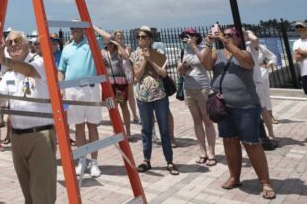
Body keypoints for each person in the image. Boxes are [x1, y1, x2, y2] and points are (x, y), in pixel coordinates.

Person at [200, 27, 274, 199]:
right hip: (223, 105)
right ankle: (235, 176)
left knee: (251, 143)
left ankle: (265, 181)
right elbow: (206, 64)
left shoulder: (244, 53)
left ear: (238, 39)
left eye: (230, 35)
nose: (225, 37)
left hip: (246, 105)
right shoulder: (217, 54)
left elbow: (247, 63)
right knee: (229, 141)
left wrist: (227, 43)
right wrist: (208, 43)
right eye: (224, 35)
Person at [0, 32, 56, 204]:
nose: (13, 44)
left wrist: (5, 61)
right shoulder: (9, 75)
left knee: (42, 195)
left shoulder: (40, 62)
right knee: (28, 195)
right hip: (17, 138)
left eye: (17, 41)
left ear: (28, 45)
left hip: (40, 136)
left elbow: (29, 71)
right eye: (9, 42)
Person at [130, 25, 178, 175]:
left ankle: (169, 161)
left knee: (164, 129)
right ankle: (146, 160)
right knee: (146, 129)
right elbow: (137, 76)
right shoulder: (135, 54)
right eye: (138, 37)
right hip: (143, 97)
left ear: (150, 39)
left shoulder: (158, 53)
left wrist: (151, 59)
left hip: (159, 96)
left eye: (143, 37)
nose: (140, 39)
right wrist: (145, 60)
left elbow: (163, 73)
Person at [58, 27, 103, 178]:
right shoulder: (67, 48)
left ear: (83, 29)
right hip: (72, 90)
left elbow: (108, 38)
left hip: (91, 89)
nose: (74, 30)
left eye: (77, 28)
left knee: (92, 126)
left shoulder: (91, 43)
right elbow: (61, 70)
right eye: (72, 28)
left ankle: (95, 162)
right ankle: (82, 160)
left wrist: (90, 26)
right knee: (78, 127)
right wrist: (60, 88)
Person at [178, 28, 217, 165]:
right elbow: (181, 72)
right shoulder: (183, 51)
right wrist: (182, 67)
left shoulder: (203, 48)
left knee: (207, 120)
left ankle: (211, 152)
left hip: (202, 88)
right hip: (189, 89)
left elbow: (206, 64)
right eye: (184, 36)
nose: (186, 38)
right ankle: (202, 151)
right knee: (196, 121)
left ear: (196, 37)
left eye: (189, 36)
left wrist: (194, 46)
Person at [93, 26, 132, 137]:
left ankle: (128, 131)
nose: (109, 45)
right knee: (111, 108)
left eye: (111, 43)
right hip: (109, 85)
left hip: (120, 85)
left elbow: (126, 57)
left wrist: (118, 44)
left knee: (123, 106)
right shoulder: (103, 52)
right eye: (108, 43)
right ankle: (117, 129)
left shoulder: (118, 52)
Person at [246, 30, 278, 147]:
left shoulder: (255, 46)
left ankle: (271, 132)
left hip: (260, 75)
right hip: (247, 80)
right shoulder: (237, 47)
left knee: (263, 103)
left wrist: (247, 31)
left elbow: (272, 56)